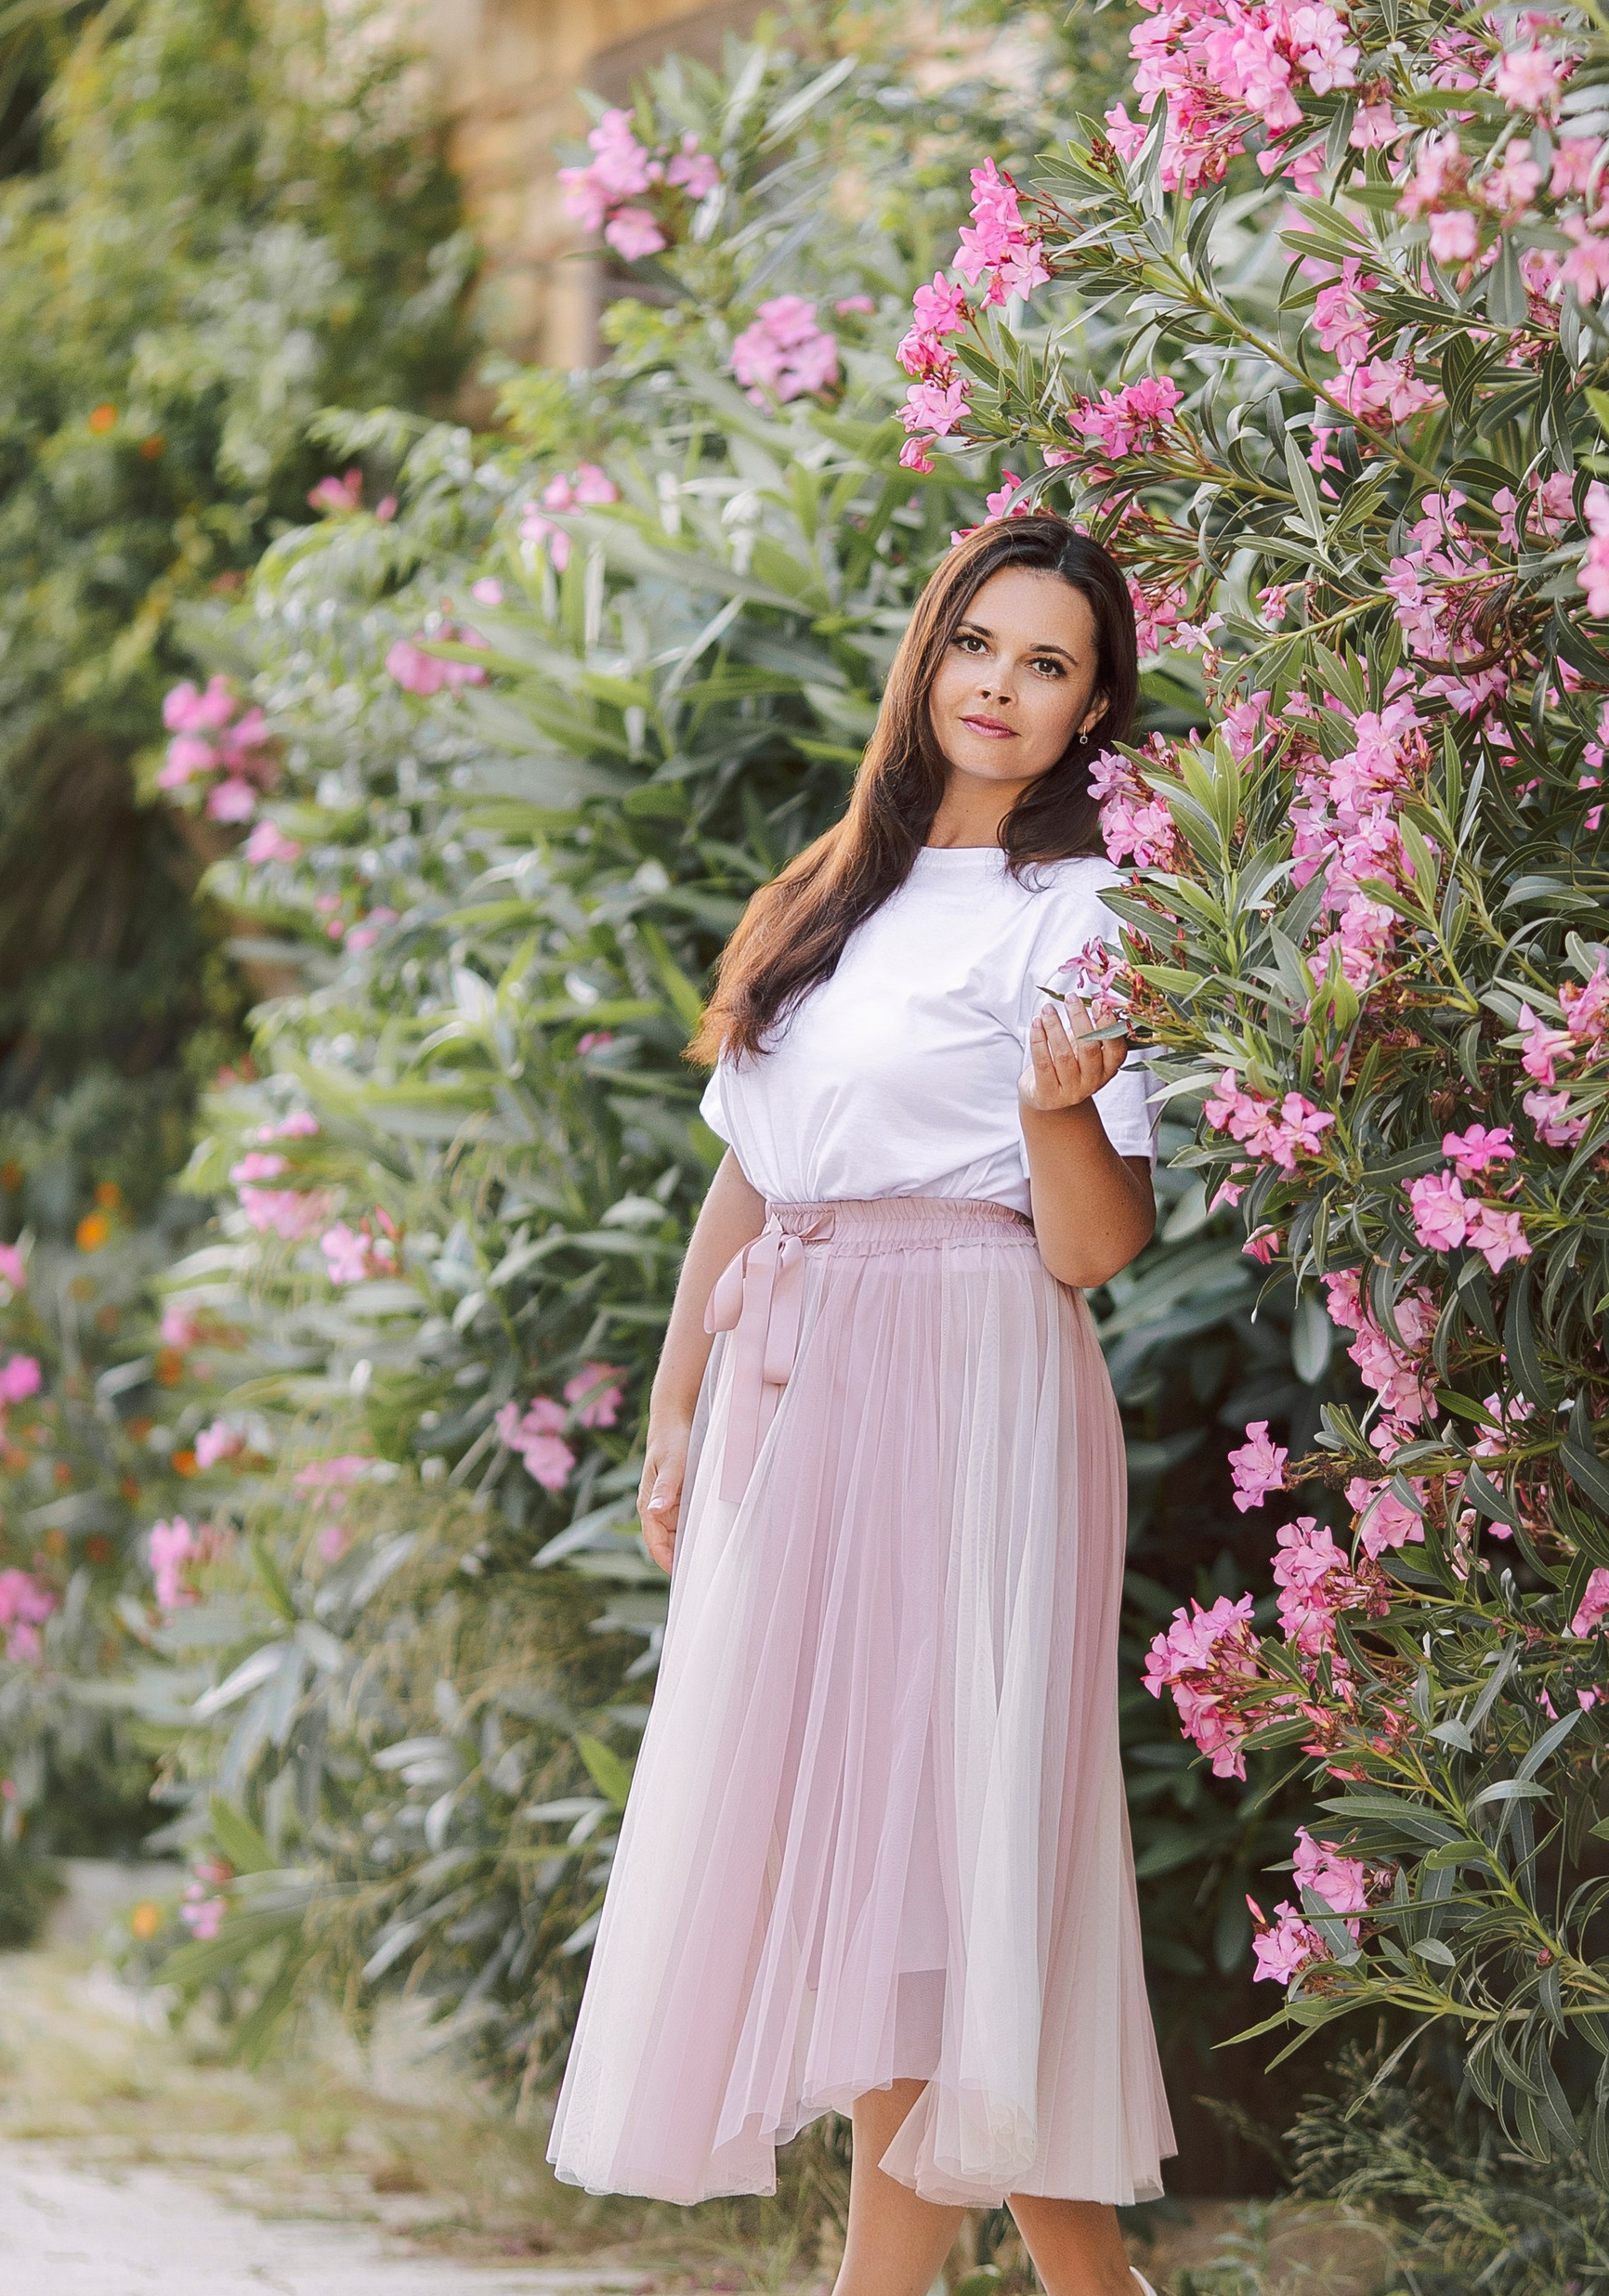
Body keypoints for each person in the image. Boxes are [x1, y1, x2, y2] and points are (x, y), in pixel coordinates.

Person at [547, 514, 1174, 2296]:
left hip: (975, 1381)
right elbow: (747, 1180)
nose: (1001, 685)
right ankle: (1090, 2284)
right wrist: (674, 1411)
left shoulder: (1087, 908)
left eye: (1048, 664)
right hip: (800, 1386)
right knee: (897, 1874)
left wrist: (1063, 1108)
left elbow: (1091, 1250)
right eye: (980, 643)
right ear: (929, 655)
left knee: (949, 1854)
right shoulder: (829, 889)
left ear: (1089, 708)